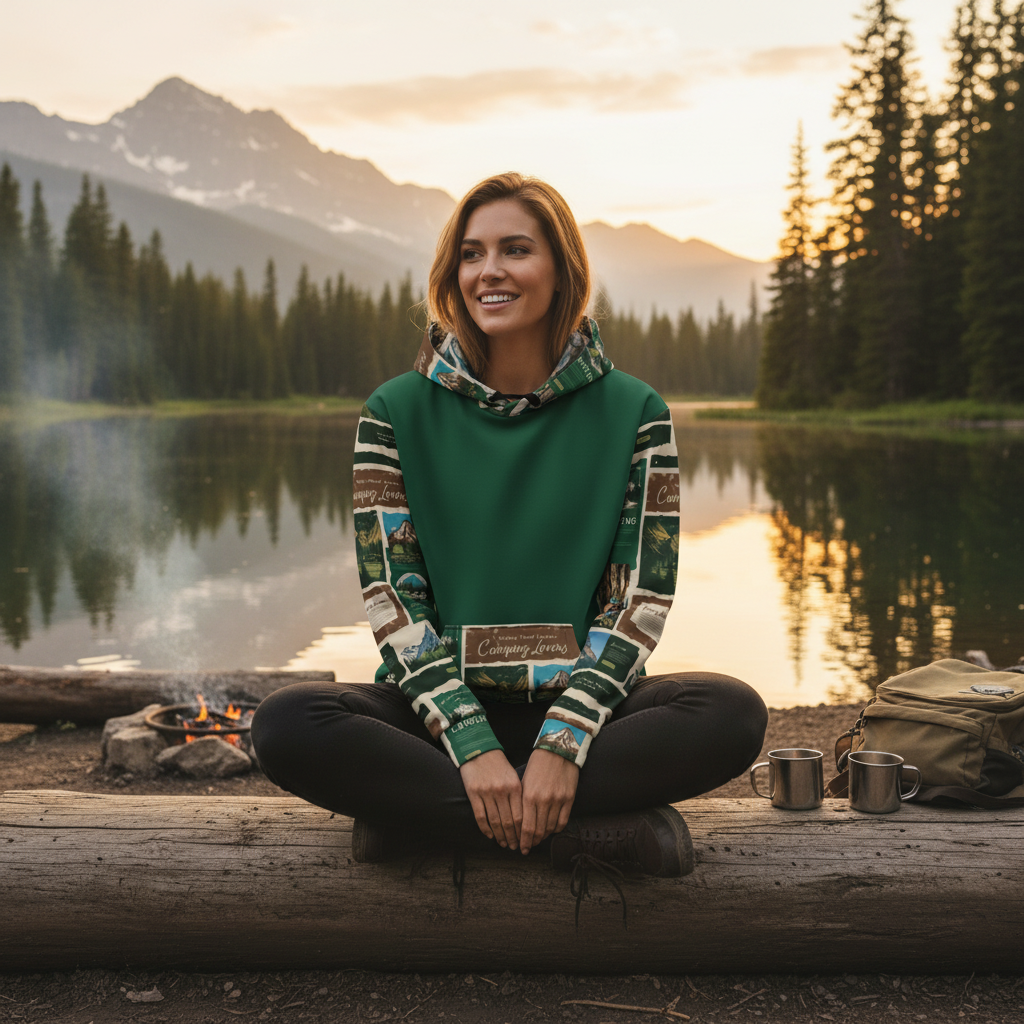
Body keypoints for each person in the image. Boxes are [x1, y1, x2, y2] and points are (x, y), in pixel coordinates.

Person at [251, 172, 768, 879]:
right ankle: (577, 833)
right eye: (471, 254)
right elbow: (393, 602)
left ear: (561, 271)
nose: (488, 271)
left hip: (586, 715)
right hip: (437, 721)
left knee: (730, 713)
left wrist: (564, 737)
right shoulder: (395, 411)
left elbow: (638, 601)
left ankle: (424, 824)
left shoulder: (635, 411)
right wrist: (470, 739)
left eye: (515, 250)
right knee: (287, 726)